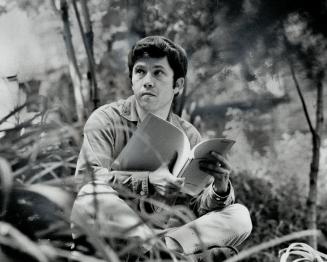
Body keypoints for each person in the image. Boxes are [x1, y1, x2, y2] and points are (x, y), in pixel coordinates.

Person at [71, 36, 252, 258]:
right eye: (140, 72)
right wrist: (147, 181)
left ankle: (160, 252)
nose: (147, 80)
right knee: (92, 192)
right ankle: (163, 254)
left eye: (158, 72)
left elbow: (198, 207)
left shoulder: (189, 135)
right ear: (132, 80)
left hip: (162, 236)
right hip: (108, 232)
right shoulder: (106, 119)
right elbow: (85, 180)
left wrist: (220, 187)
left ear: (177, 85)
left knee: (240, 216)